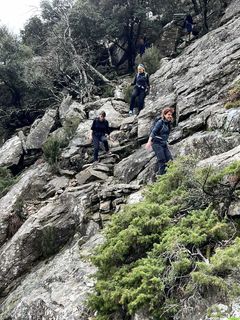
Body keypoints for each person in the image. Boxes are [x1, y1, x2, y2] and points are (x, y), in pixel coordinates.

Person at [146, 107, 174, 175]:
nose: (170, 116)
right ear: (164, 115)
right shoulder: (160, 122)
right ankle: (160, 180)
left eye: (171, 115)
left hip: (163, 144)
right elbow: (153, 132)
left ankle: (169, 177)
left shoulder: (168, 124)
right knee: (162, 160)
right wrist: (149, 142)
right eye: (168, 114)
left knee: (170, 160)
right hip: (156, 144)